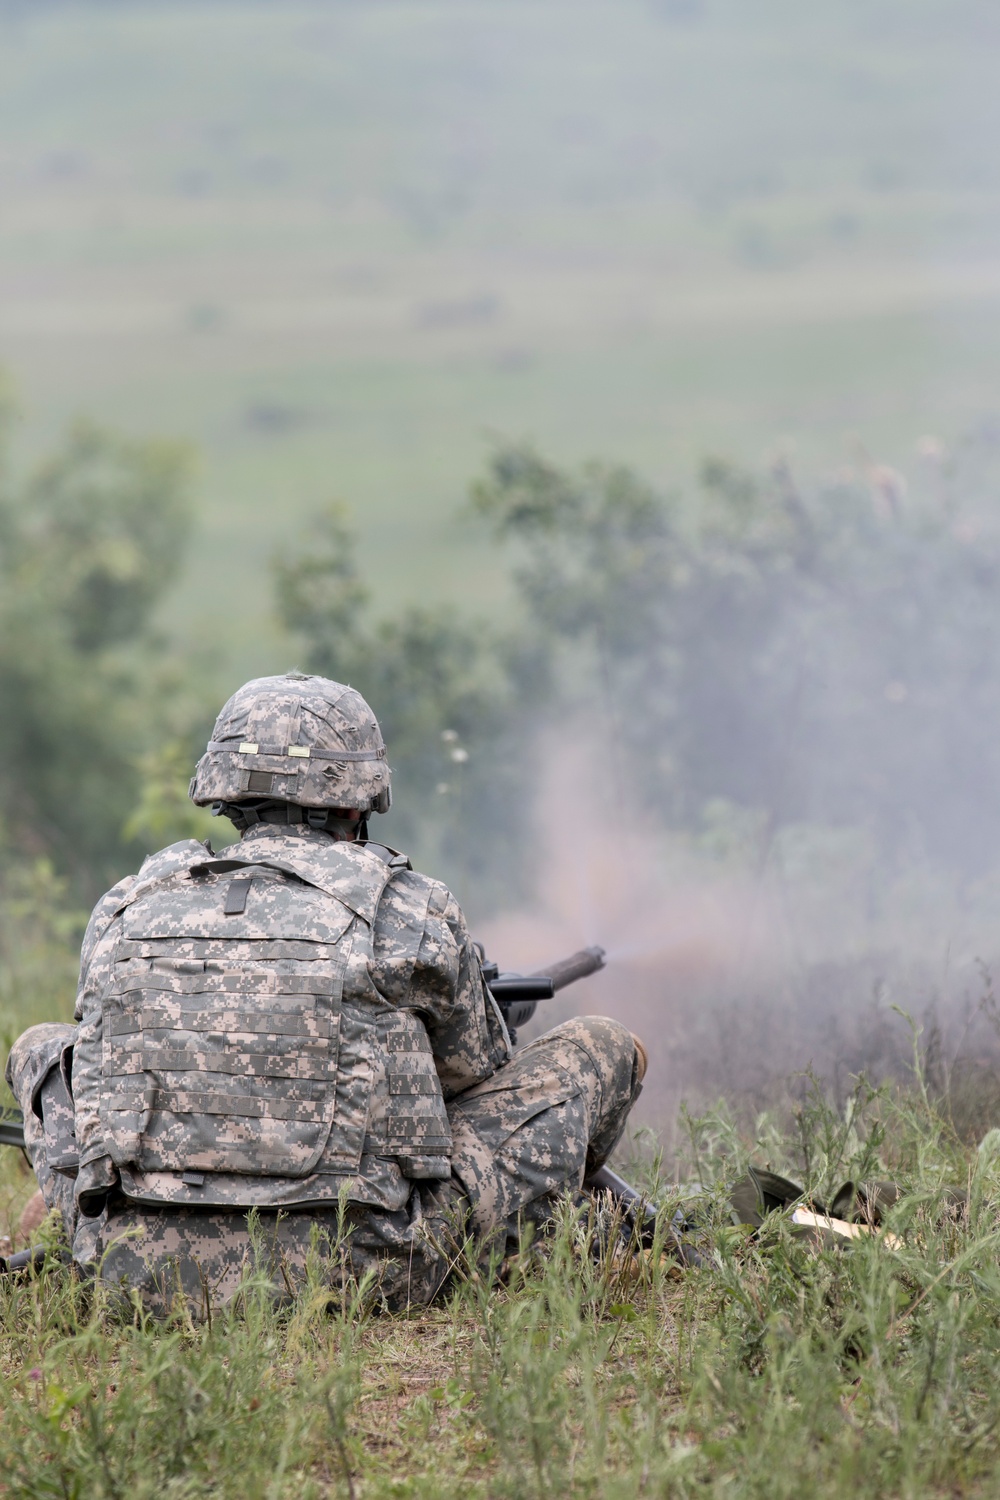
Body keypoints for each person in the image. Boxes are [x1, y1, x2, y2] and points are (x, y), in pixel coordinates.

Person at [6, 673, 644, 1313]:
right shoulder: (408, 909)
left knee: (40, 1049)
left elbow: (95, 1068)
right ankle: (571, 1234)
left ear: (225, 791)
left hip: (131, 1267)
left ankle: (96, 1236)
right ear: (357, 799)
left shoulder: (127, 904)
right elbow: (470, 1079)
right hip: (363, 1266)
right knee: (601, 1047)